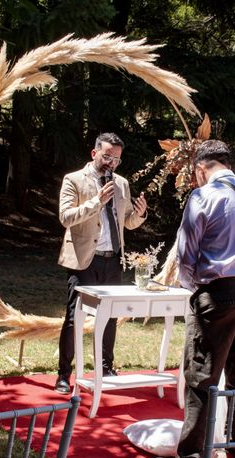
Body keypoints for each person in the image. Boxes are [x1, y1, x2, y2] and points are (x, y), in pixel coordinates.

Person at [153, 140, 235, 458]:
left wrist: (196, 291)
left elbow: (186, 254)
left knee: (201, 376)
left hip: (221, 291)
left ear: (201, 167)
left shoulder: (203, 196)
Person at [55, 132, 148, 394]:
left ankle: (106, 368)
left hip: (112, 260)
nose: (111, 163)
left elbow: (126, 221)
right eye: (107, 156)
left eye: (116, 159)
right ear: (94, 153)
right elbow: (65, 217)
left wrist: (139, 215)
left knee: (109, 318)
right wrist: (97, 202)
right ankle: (64, 374)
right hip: (85, 260)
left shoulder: (122, 184)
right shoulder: (74, 180)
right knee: (74, 319)